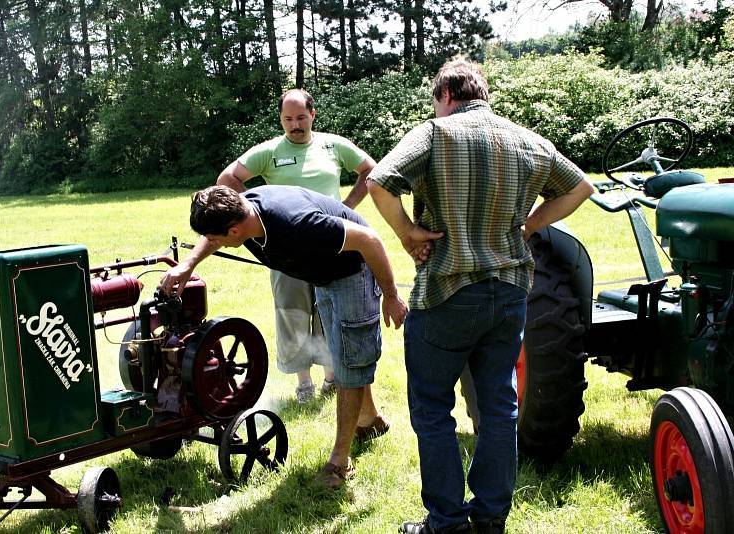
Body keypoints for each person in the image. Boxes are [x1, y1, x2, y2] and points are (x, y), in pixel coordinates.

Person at [367, 57, 594, 534]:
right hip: (511, 292)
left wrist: (408, 231)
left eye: (436, 102)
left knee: (432, 408)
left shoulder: (434, 132)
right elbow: (580, 188)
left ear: (445, 96)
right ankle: (490, 518)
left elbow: (379, 181)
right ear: (482, 94)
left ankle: (446, 522)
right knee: (499, 407)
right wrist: (529, 225)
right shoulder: (527, 139)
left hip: (448, 290)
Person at [160, 184, 406, 487]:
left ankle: (339, 464)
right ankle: (369, 421)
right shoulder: (243, 211)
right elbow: (212, 236)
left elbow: (368, 239)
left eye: (215, 239)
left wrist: (391, 295)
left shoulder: (295, 224)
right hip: (323, 274)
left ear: (235, 232)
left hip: (352, 270)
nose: (212, 243)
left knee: (350, 363)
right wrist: (188, 264)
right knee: (344, 351)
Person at [217, 88, 376, 404]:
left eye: (301, 117)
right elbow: (227, 179)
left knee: (329, 310)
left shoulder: (333, 145)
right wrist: (250, 213)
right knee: (292, 312)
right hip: (284, 250)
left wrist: (348, 206)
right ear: (281, 119)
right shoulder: (269, 151)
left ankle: (332, 377)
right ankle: (304, 382)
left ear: (312, 114)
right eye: (288, 119)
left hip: (329, 245)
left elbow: (370, 170)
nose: (295, 125)